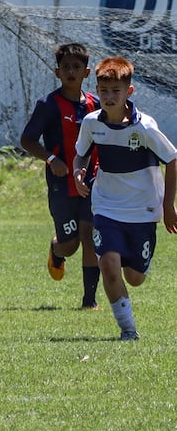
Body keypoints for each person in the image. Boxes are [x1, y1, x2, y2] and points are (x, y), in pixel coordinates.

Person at [73, 56, 177, 340]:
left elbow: (173, 159)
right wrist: (78, 173)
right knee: (107, 263)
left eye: (115, 91)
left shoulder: (144, 128)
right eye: (103, 91)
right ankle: (128, 330)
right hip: (106, 205)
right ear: (96, 89)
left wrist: (168, 205)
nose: (109, 97)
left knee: (135, 278)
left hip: (143, 210)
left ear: (128, 92)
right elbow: (80, 154)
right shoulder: (92, 123)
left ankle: (137, 266)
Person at [20, 43, 101, 309]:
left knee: (90, 236)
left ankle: (89, 300)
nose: (70, 71)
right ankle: (57, 250)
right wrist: (51, 159)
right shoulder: (48, 105)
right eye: (65, 67)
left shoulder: (96, 105)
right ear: (57, 72)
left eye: (76, 67)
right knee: (71, 245)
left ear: (86, 72)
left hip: (91, 183)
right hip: (61, 184)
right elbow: (27, 140)